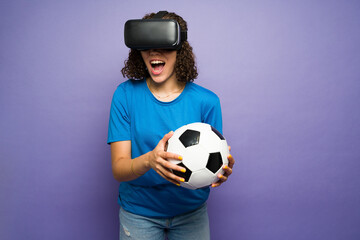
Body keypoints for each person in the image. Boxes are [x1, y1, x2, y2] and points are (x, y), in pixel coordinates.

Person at [107, 11, 235, 240]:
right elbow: (119, 168)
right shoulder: (125, 95)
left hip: (191, 214)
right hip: (139, 214)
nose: (154, 53)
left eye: (164, 46)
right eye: (147, 46)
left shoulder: (207, 101)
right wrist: (149, 160)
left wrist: (220, 170)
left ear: (180, 50)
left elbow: (213, 160)